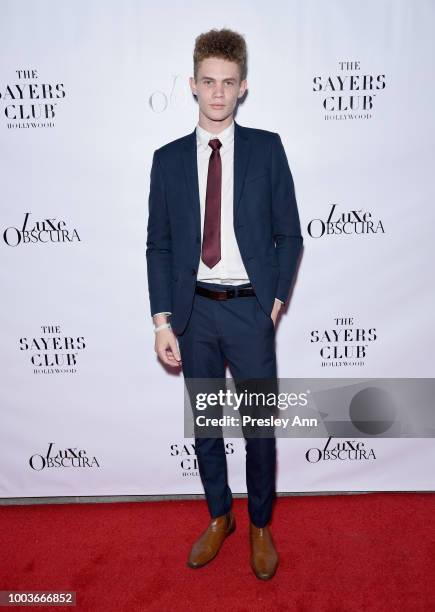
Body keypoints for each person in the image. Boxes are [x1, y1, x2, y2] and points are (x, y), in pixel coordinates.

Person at [146, 28, 303, 580]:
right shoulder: (166, 161)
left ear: (243, 88)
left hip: (249, 310)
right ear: (192, 85)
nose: (217, 93)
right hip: (193, 312)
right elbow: (159, 246)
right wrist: (162, 320)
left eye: (228, 83)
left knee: (260, 426)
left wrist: (275, 303)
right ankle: (220, 516)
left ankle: (260, 524)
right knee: (207, 425)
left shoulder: (266, 148)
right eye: (208, 82)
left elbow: (291, 235)